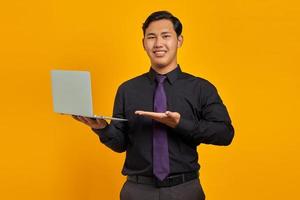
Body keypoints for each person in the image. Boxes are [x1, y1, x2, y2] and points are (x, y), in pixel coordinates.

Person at [72, 10, 234, 200]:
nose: (158, 44)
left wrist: (180, 124)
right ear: (143, 43)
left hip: (185, 190)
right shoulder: (127, 89)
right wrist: (102, 128)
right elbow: (120, 144)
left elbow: (225, 134)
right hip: (137, 191)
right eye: (151, 37)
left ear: (179, 41)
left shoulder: (201, 88)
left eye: (166, 36)